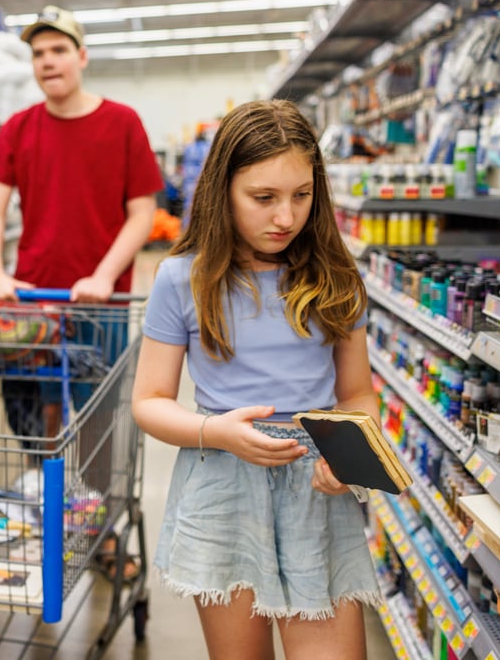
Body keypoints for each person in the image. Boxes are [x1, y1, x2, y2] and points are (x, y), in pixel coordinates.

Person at [131, 99, 381, 660]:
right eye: (263, 198)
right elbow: (149, 401)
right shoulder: (181, 280)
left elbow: (357, 391)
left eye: (301, 195)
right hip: (223, 486)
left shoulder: (337, 275)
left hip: (315, 490)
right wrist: (214, 431)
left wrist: (350, 453)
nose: (285, 217)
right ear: (223, 191)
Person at [0, 4, 163, 438]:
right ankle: (47, 497)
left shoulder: (122, 123)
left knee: (99, 421)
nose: (47, 60)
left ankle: (92, 502)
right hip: (34, 298)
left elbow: (143, 214)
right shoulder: (17, 129)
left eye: (58, 49)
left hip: (103, 304)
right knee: (36, 418)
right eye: (38, 52)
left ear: (82, 57)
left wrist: (102, 276)